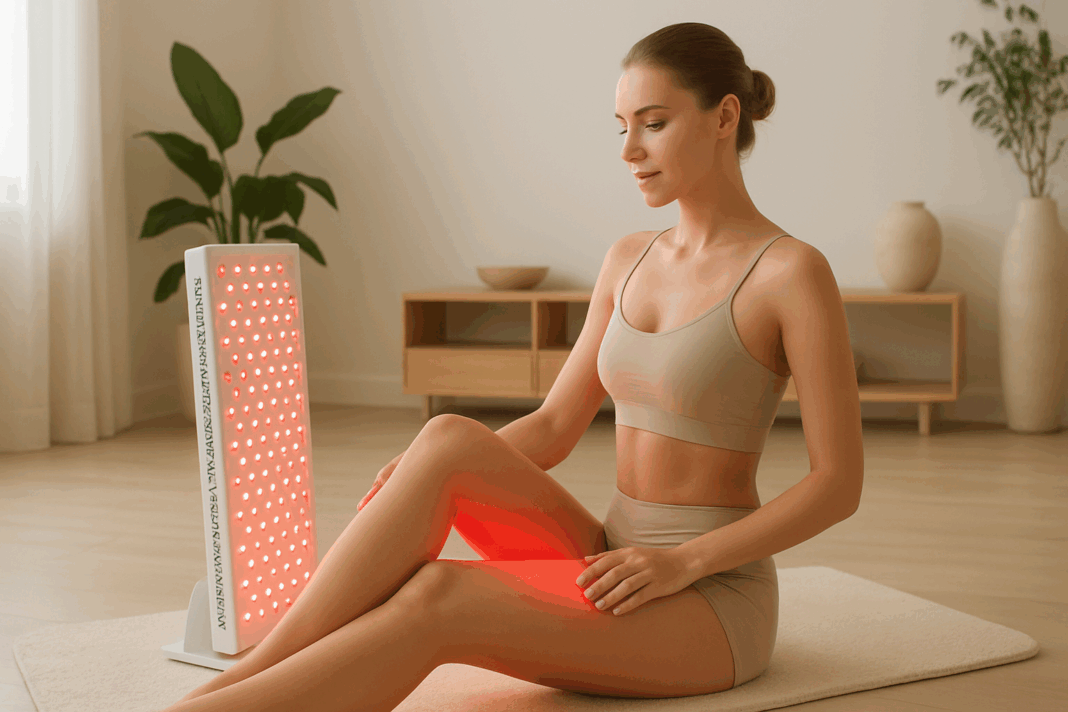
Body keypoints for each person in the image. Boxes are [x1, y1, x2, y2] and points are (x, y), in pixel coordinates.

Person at [162, 21, 863, 712]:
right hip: (610, 557)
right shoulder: (630, 259)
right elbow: (556, 425)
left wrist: (684, 561)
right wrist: (421, 475)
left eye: (652, 123)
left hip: (710, 600)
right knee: (444, 440)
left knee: (442, 596)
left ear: (725, 116)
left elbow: (838, 484)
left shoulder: (791, 273)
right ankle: (249, 676)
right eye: (620, 125)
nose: (629, 149)